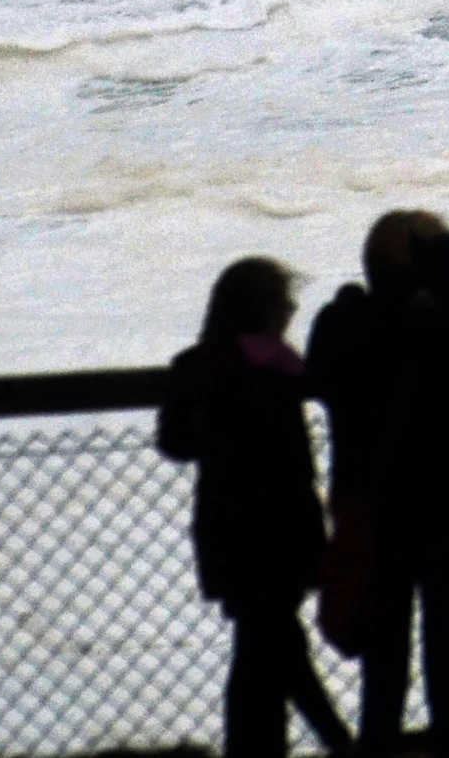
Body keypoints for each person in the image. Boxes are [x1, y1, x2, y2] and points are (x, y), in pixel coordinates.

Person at [306, 210, 449, 751]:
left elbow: (325, 368)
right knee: (448, 672)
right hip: (447, 508)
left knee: (383, 679)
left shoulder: (340, 327)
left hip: (376, 514)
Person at [159, 255, 354, 758]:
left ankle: (271, 747)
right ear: (267, 309)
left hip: (229, 529)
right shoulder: (284, 367)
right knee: (274, 647)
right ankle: (341, 743)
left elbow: (176, 443)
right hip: (286, 527)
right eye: (285, 301)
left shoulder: (198, 365)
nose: (291, 310)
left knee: (261, 649)